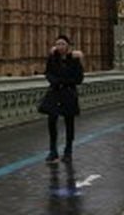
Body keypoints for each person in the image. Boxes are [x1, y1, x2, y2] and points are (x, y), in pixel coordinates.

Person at [39, 35, 84, 163]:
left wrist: (63, 81)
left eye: (63, 44)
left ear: (68, 46)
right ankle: (53, 151)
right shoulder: (52, 59)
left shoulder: (75, 60)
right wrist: (56, 81)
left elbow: (79, 79)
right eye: (58, 44)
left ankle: (68, 151)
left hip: (69, 93)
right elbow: (48, 73)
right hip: (55, 92)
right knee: (51, 120)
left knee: (69, 123)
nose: (60, 46)